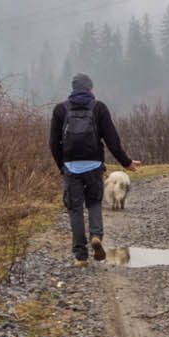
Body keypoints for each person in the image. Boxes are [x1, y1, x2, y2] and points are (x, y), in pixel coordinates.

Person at [49, 73, 139, 266]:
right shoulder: (98, 107)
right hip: (94, 166)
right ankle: (96, 237)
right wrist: (126, 163)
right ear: (90, 89)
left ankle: (81, 256)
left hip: (71, 167)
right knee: (94, 204)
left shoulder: (60, 110)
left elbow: (53, 143)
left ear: (73, 89)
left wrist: (61, 166)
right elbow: (112, 140)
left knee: (75, 210)